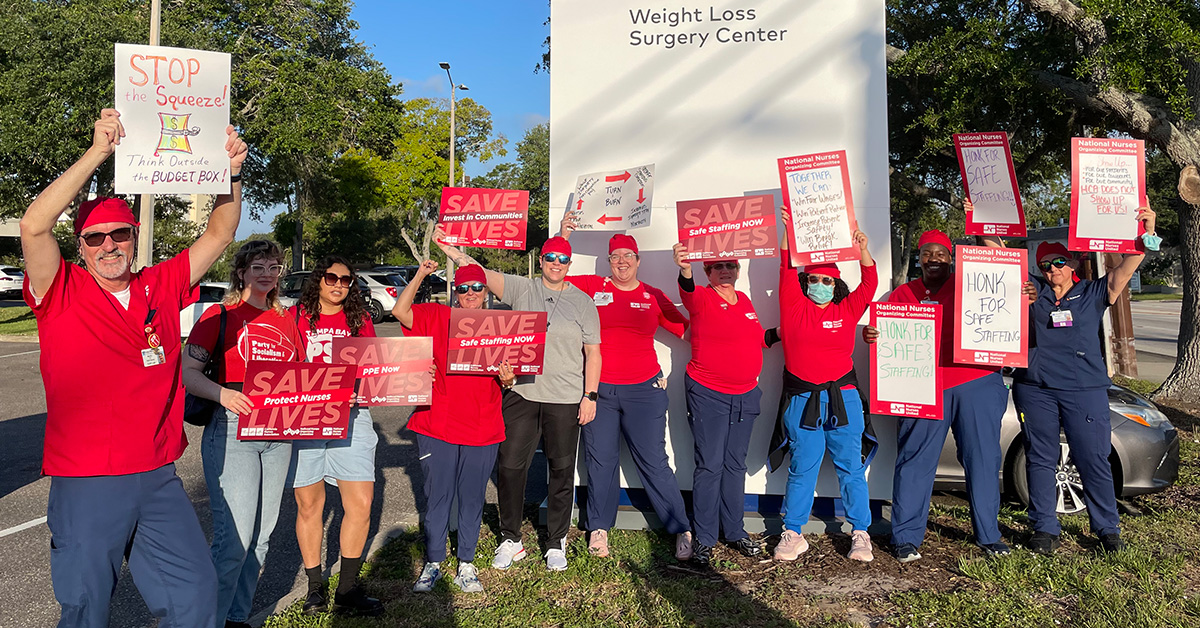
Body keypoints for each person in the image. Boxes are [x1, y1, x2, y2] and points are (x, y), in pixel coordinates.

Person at [20, 108, 245, 628]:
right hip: (88, 480)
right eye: (95, 239)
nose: (108, 247)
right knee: (86, 609)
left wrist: (230, 173)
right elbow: (34, 225)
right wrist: (99, 152)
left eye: (118, 235)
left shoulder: (160, 285)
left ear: (134, 236)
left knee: (194, 595)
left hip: (156, 475)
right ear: (80, 246)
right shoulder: (61, 291)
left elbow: (220, 232)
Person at [435, 228, 602, 572]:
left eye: (563, 259)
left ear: (569, 264)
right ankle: (511, 538)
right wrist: (449, 249)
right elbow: (477, 272)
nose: (556, 264)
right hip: (521, 392)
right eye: (551, 258)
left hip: (565, 398)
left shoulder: (583, 302)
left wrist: (590, 396)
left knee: (560, 469)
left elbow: (593, 352)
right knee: (510, 467)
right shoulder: (523, 288)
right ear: (541, 261)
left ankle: (556, 541)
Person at [862, 216, 1013, 564]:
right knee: (915, 459)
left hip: (976, 380)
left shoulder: (971, 284)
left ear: (952, 258)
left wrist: (1023, 289)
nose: (934, 259)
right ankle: (905, 538)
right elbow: (886, 335)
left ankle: (989, 535)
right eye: (927, 253)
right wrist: (873, 335)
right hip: (923, 386)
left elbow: (1004, 277)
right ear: (919, 258)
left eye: (941, 254)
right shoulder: (903, 294)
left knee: (983, 458)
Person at [1014, 206, 1157, 555]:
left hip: (1084, 390)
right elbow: (995, 256)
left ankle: (1107, 529)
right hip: (1036, 389)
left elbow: (1126, 268)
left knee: (1092, 457)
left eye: (1059, 262)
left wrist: (1146, 232)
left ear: (1073, 264)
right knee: (1040, 457)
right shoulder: (1031, 292)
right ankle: (1045, 527)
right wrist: (981, 222)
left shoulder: (1093, 292)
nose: (1053, 270)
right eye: (1046, 264)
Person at [182, 240, 305, 628]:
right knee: (233, 541)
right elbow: (187, 374)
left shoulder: (290, 318)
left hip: (279, 431)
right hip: (233, 429)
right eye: (258, 267)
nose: (266, 274)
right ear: (241, 272)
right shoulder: (219, 316)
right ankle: (210, 620)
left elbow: (302, 376)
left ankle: (237, 617)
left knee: (262, 537)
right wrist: (224, 394)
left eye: (273, 267)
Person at [559, 216, 693, 560]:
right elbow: (554, 280)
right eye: (615, 256)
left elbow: (688, 329)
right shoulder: (593, 286)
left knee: (654, 462)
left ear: (638, 260)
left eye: (628, 256)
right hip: (598, 391)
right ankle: (599, 528)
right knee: (600, 462)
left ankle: (681, 529)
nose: (622, 262)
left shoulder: (653, 295)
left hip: (644, 391)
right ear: (609, 261)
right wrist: (564, 235)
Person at [393, 260, 514, 593]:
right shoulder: (436, 315)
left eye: (477, 288)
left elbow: (515, 369)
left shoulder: (501, 325)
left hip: (483, 425)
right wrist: (419, 273)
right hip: (438, 424)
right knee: (437, 497)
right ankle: (433, 561)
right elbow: (401, 311)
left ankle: (466, 562)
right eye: (463, 288)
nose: (470, 294)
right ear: (453, 291)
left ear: (486, 291)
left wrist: (509, 378)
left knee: (473, 497)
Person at [768, 213, 878, 563]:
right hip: (802, 400)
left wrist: (863, 250)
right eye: (813, 279)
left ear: (835, 285)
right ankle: (793, 532)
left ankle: (860, 533)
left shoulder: (846, 309)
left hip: (842, 399)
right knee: (803, 467)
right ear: (806, 282)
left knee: (851, 468)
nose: (819, 285)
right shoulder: (794, 307)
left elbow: (870, 284)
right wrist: (787, 231)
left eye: (826, 281)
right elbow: (785, 268)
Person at [671, 243, 778, 566]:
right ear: (707, 272)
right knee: (710, 465)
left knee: (735, 464)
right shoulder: (702, 297)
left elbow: (757, 337)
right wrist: (685, 268)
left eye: (730, 265)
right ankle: (704, 537)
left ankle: (734, 530)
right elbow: (687, 292)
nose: (725, 271)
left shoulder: (744, 301)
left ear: (738, 269)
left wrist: (785, 332)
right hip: (708, 393)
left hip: (746, 395)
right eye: (718, 266)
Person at [288, 257, 384, 616]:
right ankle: (315, 589)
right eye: (331, 277)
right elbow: (282, 363)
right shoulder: (295, 318)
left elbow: (378, 367)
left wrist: (366, 387)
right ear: (319, 280)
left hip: (353, 417)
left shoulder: (360, 320)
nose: (338, 284)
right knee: (309, 506)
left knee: (359, 504)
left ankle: (347, 591)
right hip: (306, 419)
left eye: (346, 279)